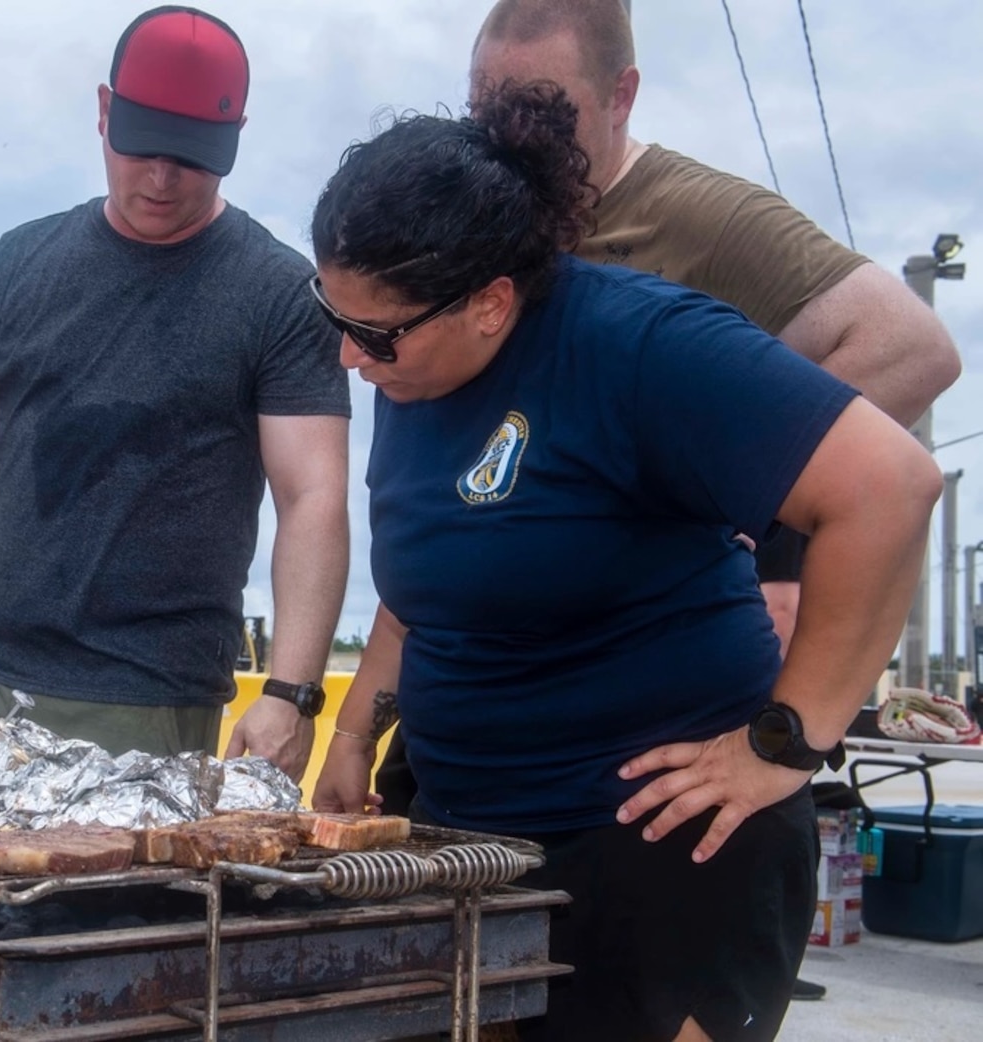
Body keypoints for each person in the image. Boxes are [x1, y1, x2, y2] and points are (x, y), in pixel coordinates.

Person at [309, 80, 940, 1042]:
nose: (351, 359)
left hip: (655, 851)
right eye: (334, 318)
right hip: (466, 839)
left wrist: (788, 740)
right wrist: (354, 737)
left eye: (374, 333)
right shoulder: (415, 376)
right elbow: (428, 586)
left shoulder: (642, 345)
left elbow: (889, 488)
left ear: (489, 303)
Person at [374, 0, 961, 821]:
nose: (509, 140)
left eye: (544, 112)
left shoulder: (702, 219)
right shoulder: (470, 229)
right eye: (487, 109)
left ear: (622, 96)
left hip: (639, 763)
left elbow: (912, 349)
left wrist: (733, 476)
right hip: (479, 731)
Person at [0, 6, 350, 779]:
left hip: (145, 700)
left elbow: (311, 494)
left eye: (190, 156)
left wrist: (289, 691)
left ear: (236, 136)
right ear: (105, 110)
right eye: (141, 145)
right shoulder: (20, 262)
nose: (160, 177)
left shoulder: (278, 294)